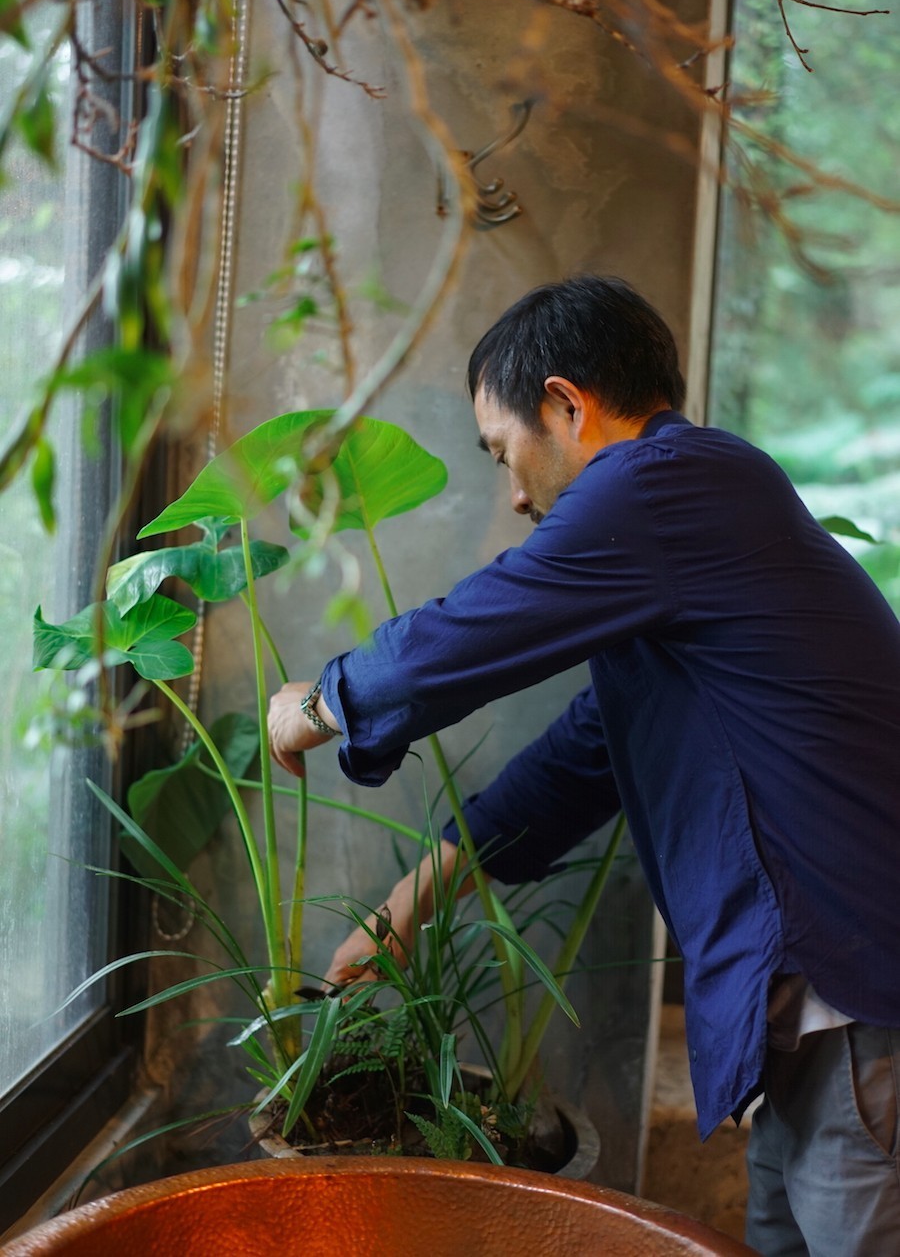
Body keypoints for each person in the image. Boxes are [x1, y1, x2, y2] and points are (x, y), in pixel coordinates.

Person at [267, 275, 900, 1257]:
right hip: (830, 1013)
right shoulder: (688, 535)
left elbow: (477, 628)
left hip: (863, 990)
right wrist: (411, 902)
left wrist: (318, 703)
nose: (515, 495)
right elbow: (585, 754)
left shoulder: (666, 482)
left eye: (505, 453)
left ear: (566, 404)